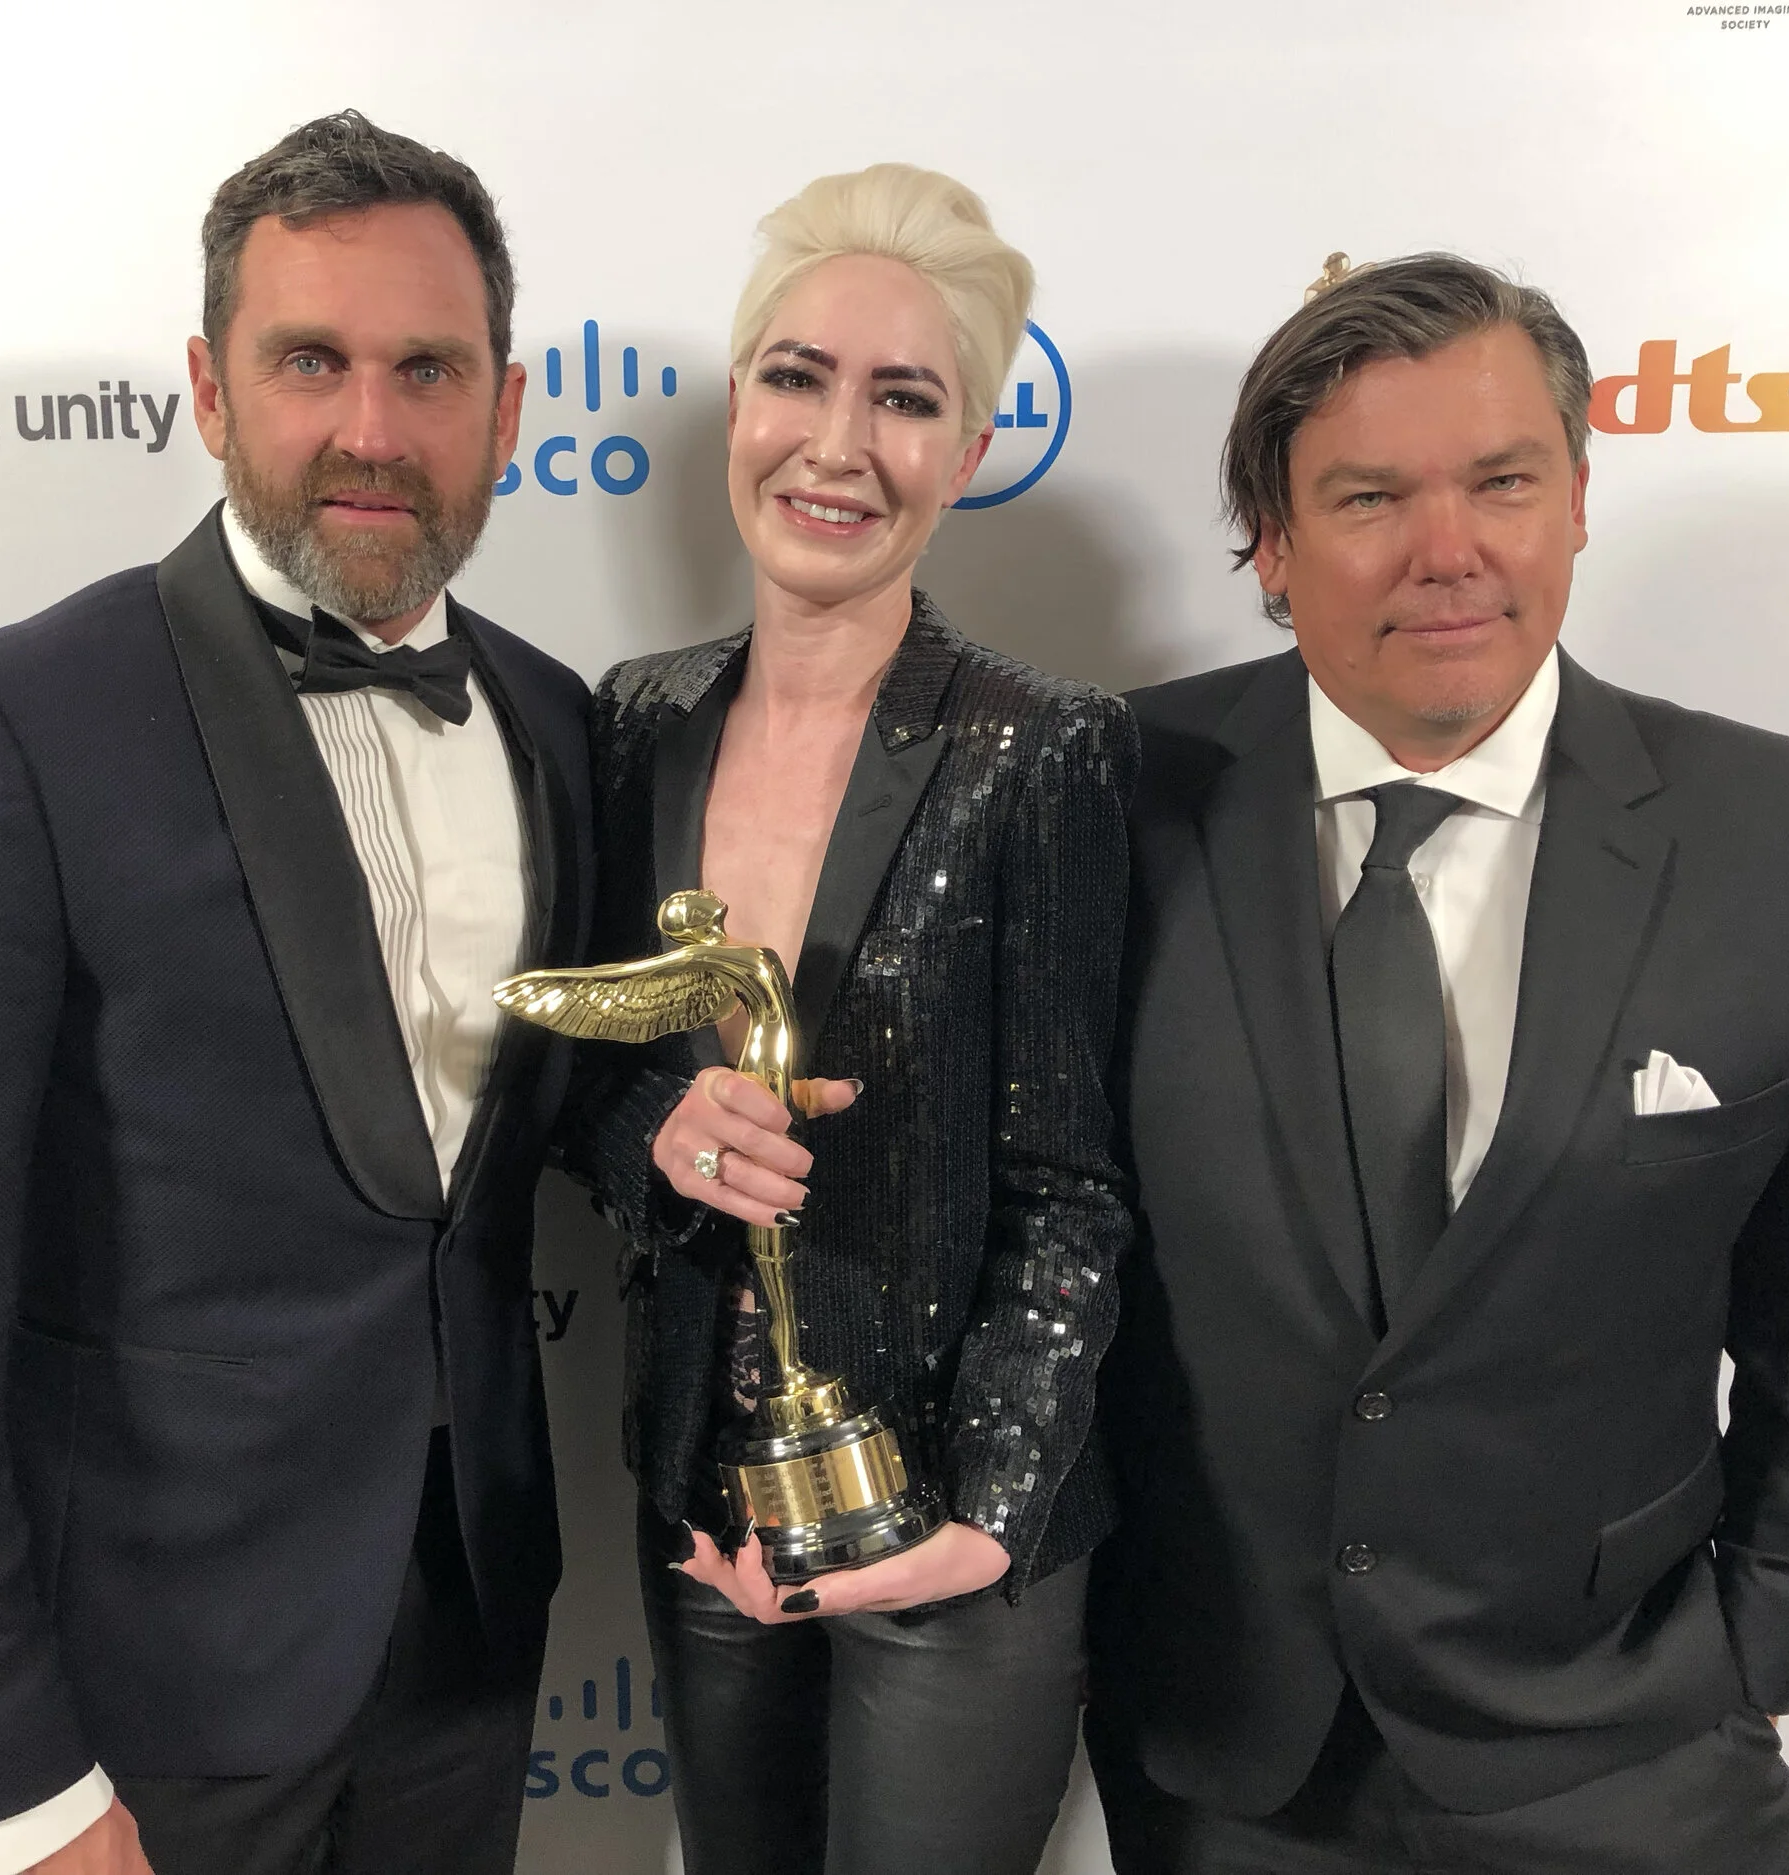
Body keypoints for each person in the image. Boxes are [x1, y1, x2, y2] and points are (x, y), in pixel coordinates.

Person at [0, 110, 592, 1875]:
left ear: (509, 408)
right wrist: (4, 1775)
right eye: (310, 361)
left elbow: (561, 1102)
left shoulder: (556, 720)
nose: (371, 429)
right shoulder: (11, 727)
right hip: (128, 1693)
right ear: (211, 391)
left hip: (464, 1653)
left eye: (429, 369)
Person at [1090, 252, 1789, 1872]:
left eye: (1503, 481)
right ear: (1271, 539)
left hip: (1637, 1751)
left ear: (1581, 497)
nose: (1450, 551)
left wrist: (1751, 1657)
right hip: (1228, 1770)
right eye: (1369, 497)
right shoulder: (1103, 801)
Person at [557, 165, 1135, 1875]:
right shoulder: (633, 720)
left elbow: (1075, 1186)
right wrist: (658, 1136)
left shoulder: (1041, 747)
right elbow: (585, 1093)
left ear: (967, 449)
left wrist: (987, 1515)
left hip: (951, 1531)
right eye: (799, 378)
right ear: (739, 401)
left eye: (905, 398)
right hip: (705, 1507)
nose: (837, 443)